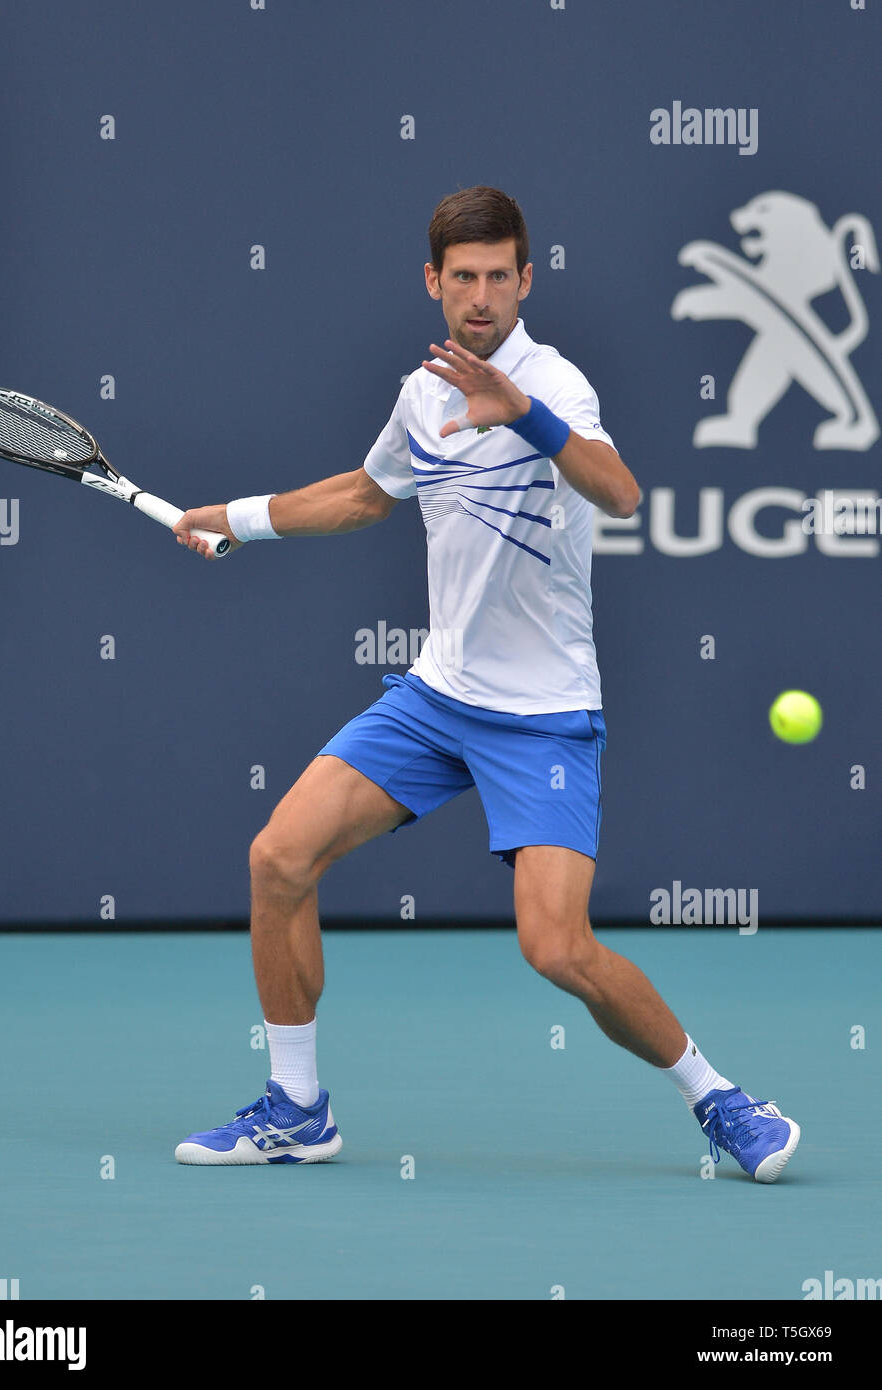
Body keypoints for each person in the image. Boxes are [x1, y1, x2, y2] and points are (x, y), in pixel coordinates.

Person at [171, 186, 799, 1181]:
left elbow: (621, 491)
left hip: (543, 715)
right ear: (433, 282)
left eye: (496, 276)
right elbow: (364, 495)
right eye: (459, 277)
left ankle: (720, 1098)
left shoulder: (556, 382)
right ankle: (295, 1108)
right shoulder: (422, 391)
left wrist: (525, 416)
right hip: (435, 697)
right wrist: (234, 517)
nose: (477, 296)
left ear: (524, 279)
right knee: (277, 858)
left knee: (555, 947)